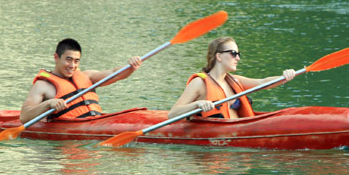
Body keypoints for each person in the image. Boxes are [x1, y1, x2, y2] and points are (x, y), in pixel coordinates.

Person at [168, 37, 296, 119]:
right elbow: (173, 113)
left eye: (238, 54)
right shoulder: (199, 83)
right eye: (233, 53)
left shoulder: (234, 80)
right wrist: (197, 104)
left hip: (236, 135)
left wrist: (284, 77)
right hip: (213, 143)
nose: (238, 58)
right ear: (219, 56)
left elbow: (263, 83)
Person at [19, 38, 143, 123]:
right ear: (56, 57)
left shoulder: (87, 76)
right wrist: (49, 103)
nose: (72, 65)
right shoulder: (43, 86)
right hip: (68, 139)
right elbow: (24, 116)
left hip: (97, 122)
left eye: (76, 61)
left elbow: (114, 74)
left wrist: (131, 67)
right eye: (68, 59)